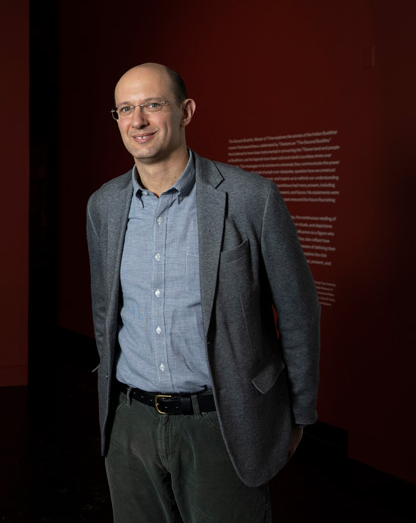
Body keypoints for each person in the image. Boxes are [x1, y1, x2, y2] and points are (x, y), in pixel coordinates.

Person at [85, 63, 320, 522]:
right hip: (130, 423)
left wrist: (300, 414)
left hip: (222, 422)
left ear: (186, 111)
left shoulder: (252, 198)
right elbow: (105, 312)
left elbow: (298, 311)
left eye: (153, 105)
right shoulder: (103, 205)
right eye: (126, 109)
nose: (139, 121)